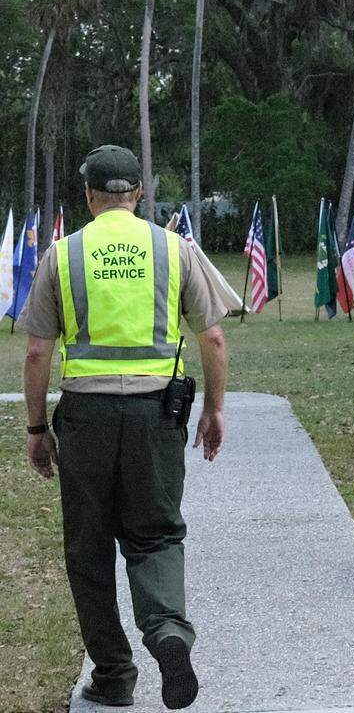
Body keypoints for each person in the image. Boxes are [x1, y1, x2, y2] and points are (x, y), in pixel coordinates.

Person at [18, 145, 230, 709]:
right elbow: (212, 337)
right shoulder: (174, 249)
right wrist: (213, 409)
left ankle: (113, 675)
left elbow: (37, 353)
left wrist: (37, 428)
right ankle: (168, 634)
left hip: (85, 418)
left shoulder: (63, 254)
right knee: (155, 534)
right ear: (138, 193)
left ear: (89, 195)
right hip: (155, 416)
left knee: (88, 548)